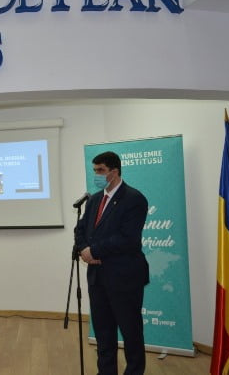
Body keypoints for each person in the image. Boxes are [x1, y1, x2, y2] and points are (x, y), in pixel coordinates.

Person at [75, 151, 149, 375]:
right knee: (103, 333)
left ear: (114, 172)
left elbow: (127, 238)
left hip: (124, 277)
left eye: (101, 170)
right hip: (98, 278)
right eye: (95, 170)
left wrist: (94, 250)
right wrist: (84, 249)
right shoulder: (94, 199)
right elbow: (81, 229)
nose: (96, 175)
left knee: (131, 332)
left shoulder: (134, 199)